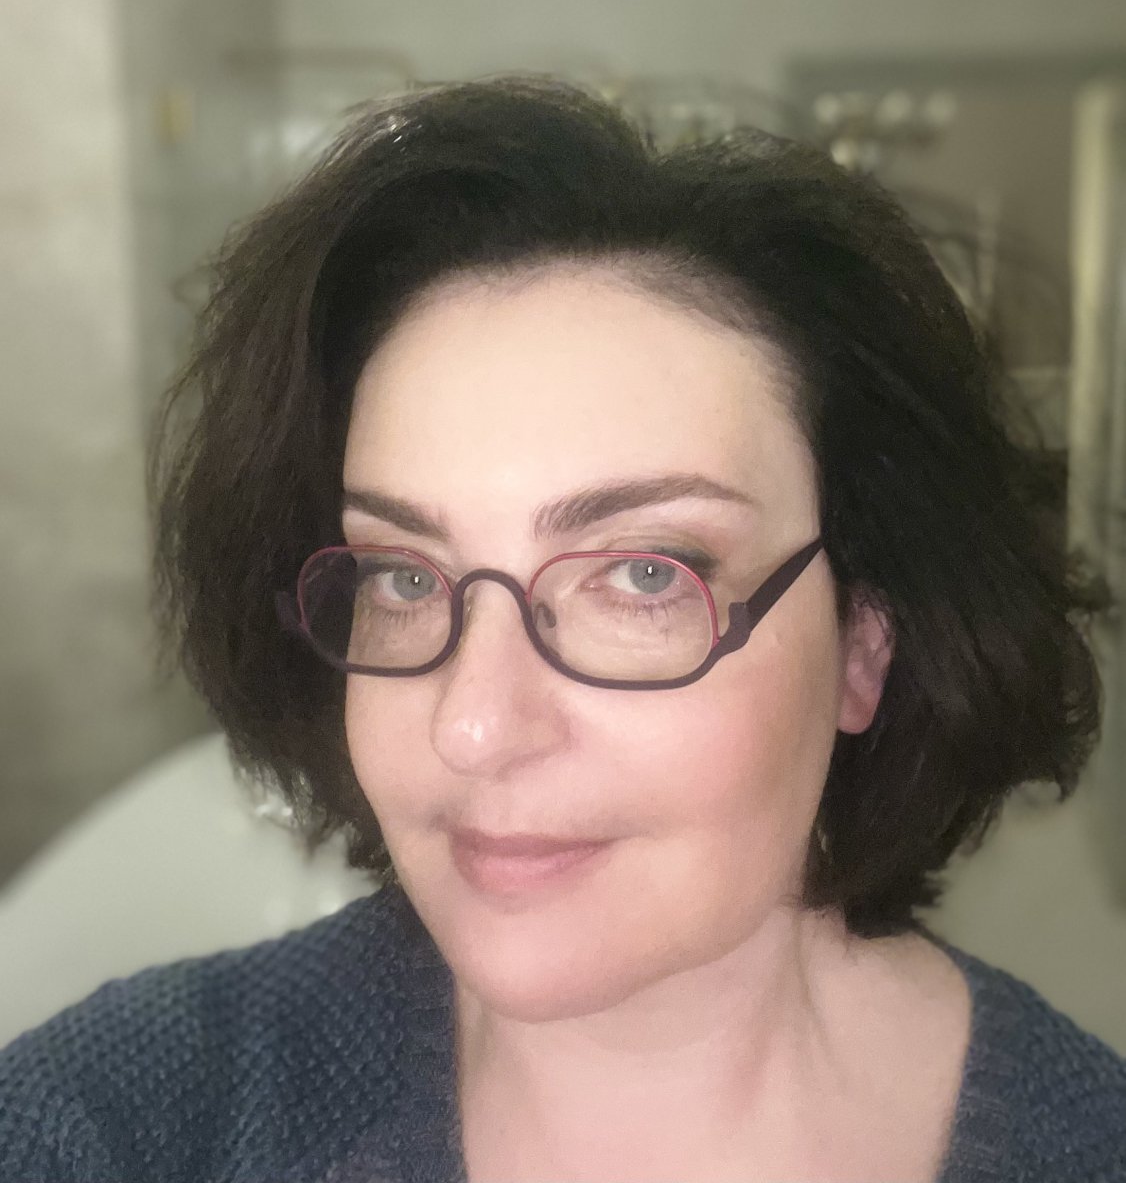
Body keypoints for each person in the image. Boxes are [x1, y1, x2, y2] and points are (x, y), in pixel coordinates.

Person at [1, 75, 1124, 1183]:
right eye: (403, 576)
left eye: (643, 574)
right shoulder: (112, 1121)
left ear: (865, 646)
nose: (474, 727)